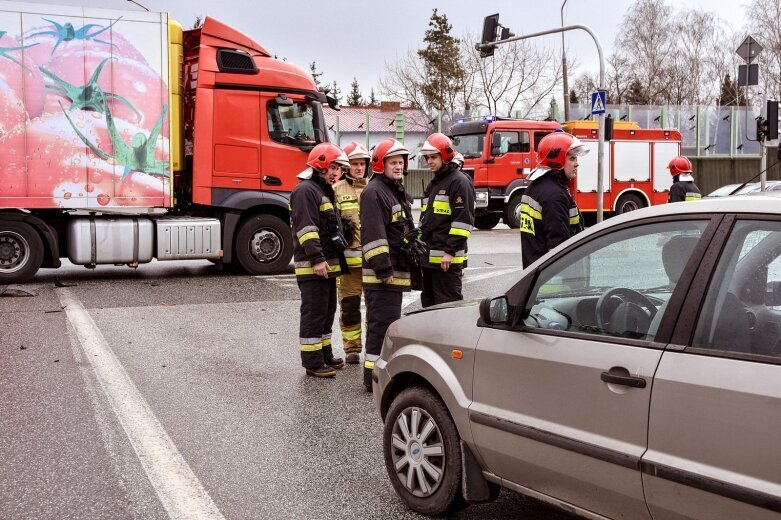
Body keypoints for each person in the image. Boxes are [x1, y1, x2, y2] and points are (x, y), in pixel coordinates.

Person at [290, 143, 350, 378]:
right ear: (320, 164)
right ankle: (313, 362)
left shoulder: (323, 190)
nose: (336, 173)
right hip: (313, 266)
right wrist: (316, 259)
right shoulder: (306, 191)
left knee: (326, 313)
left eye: (338, 168)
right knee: (314, 313)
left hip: (327, 265)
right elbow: (307, 229)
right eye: (333, 167)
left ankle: (324, 354)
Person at [359, 138, 414, 391]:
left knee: (387, 324)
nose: (399, 166)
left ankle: (380, 373)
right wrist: (383, 269)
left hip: (393, 271)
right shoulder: (374, 192)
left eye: (401, 162)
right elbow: (374, 235)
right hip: (383, 275)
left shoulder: (393, 189)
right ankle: (373, 380)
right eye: (393, 162)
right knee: (381, 326)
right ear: (381, 164)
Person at [418, 132, 475, 307]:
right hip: (429, 260)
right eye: (427, 157)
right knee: (429, 307)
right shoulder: (435, 183)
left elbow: (463, 222)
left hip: (446, 261)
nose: (429, 161)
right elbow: (426, 221)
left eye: (433, 157)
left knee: (448, 307)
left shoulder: (459, 182)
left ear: (445, 156)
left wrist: (450, 252)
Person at [520, 131, 588, 268]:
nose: (577, 164)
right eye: (572, 158)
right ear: (557, 160)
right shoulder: (555, 196)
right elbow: (559, 248)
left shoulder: (536, 187)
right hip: (556, 283)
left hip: (535, 270)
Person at [333, 142, 370, 364]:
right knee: (349, 308)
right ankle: (352, 349)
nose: (358, 168)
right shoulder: (336, 190)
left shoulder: (375, 189)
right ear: (347, 167)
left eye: (362, 164)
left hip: (372, 261)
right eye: (354, 164)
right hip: (348, 265)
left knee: (375, 309)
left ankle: (375, 347)